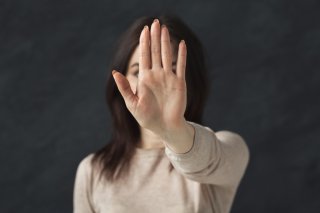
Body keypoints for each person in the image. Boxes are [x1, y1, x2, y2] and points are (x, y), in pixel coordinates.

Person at [73, 14, 250, 213]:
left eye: (170, 70)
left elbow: (204, 160)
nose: (150, 82)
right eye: (138, 71)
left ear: (192, 81)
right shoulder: (93, 171)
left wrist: (172, 129)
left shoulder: (229, 150)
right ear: (120, 83)